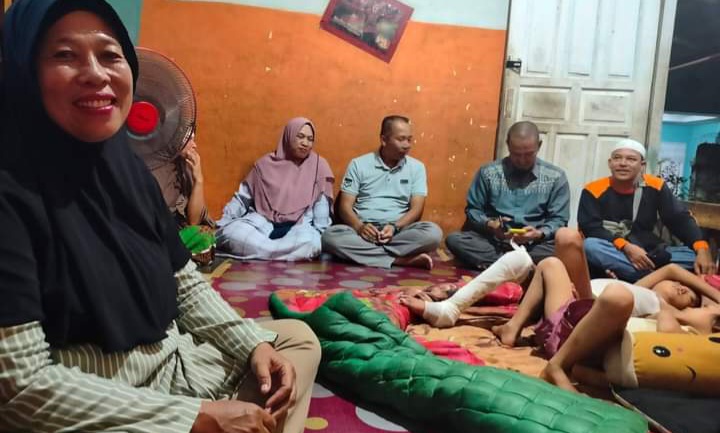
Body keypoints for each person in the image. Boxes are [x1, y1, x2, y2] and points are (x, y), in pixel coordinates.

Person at [0, 2, 319, 433]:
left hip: (172, 361)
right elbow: (17, 386)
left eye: (110, 55)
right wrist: (193, 418)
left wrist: (251, 346)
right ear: (24, 70)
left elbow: (184, 285)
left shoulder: (128, 172)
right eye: (64, 55)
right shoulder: (11, 187)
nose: (96, 74)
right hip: (92, 395)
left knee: (293, 344)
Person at [489, 228, 720, 392]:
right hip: (572, 309)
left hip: (583, 329)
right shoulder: (642, 288)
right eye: (680, 284)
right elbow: (671, 269)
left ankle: (557, 366)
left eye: (690, 297)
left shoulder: (661, 310)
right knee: (554, 257)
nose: (682, 288)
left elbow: (671, 337)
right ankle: (512, 327)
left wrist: (674, 311)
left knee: (617, 296)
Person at [578, 138, 716, 281]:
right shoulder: (593, 190)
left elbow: (679, 218)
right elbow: (591, 228)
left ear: (642, 165)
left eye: (631, 159)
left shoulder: (656, 186)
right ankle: (660, 275)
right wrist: (626, 247)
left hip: (650, 251)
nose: (623, 163)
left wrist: (701, 248)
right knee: (590, 246)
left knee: (692, 256)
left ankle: (635, 273)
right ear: (610, 163)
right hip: (615, 249)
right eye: (617, 158)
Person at [321, 115, 442, 269]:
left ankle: (370, 255)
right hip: (362, 232)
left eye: (409, 139)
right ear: (384, 140)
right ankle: (398, 260)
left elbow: (417, 208)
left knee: (433, 233)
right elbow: (344, 207)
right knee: (330, 236)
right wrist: (360, 227)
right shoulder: (358, 164)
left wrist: (394, 227)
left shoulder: (417, 168)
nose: (407, 145)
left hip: (397, 233)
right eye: (401, 139)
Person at [446, 121, 570, 269]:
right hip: (495, 243)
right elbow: (473, 210)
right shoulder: (489, 173)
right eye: (516, 154)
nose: (522, 160)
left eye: (528, 154)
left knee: (568, 249)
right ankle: (522, 267)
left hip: (534, 245)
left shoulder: (555, 177)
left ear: (539, 146)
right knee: (455, 240)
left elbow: (559, 219)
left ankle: (502, 266)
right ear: (508, 146)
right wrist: (490, 224)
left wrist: (539, 233)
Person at [216, 117, 334, 261]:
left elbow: (321, 208)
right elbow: (242, 199)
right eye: (300, 136)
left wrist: (320, 233)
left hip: (299, 227)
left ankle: (261, 253)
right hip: (261, 222)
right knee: (232, 233)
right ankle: (280, 254)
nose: (305, 143)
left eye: (310, 139)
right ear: (289, 135)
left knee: (311, 243)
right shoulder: (264, 165)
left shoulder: (318, 166)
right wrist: (223, 222)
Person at [151, 135, 216, 265]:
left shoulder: (184, 166)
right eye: (189, 139)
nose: (194, 145)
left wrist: (198, 179)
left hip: (177, 234)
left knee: (205, 237)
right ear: (173, 139)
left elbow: (193, 221)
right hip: (157, 236)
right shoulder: (153, 167)